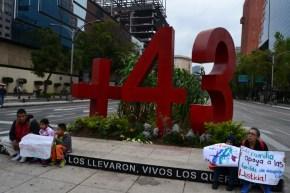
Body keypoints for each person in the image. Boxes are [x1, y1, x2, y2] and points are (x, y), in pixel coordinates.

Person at [240, 127, 271, 193]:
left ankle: (265, 186)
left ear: (257, 137)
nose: (250, 135)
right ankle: (247, 184)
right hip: (248, 166)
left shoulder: (262, 145)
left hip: (259, 165)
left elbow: (268, 158)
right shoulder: (244, 143)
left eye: (252, 134)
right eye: (248, 133)